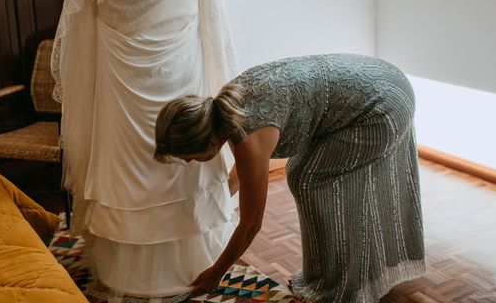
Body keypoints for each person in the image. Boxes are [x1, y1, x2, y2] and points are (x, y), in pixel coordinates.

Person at [30, 0, 238, 301]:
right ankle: (131, 270)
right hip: (122, 63)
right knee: (132, 160)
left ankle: (194, 258)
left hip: (180, 57)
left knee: (185, 148)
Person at [155, 53, 426, 302]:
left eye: (188, 156)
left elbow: (251, 225)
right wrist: (219, 202)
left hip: (382, 105)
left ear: (209, 140)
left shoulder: (248, 135)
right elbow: (247, 171)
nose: (189, 162)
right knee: (302, 175)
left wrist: (217, 272)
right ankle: (329, 273)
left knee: (309, 180)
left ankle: (340, 284)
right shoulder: (226, 107)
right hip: (380, 77)